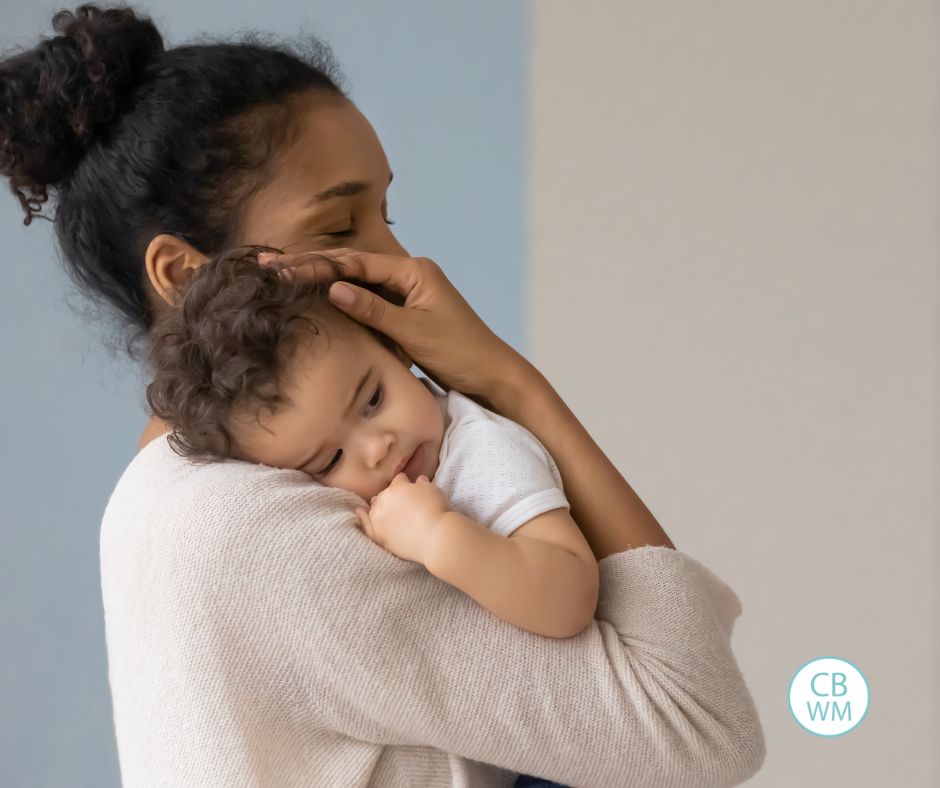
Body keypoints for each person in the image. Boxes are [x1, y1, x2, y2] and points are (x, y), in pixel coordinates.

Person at [0, 5, 766, 787]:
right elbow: (700, 727)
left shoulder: (182, 497)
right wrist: (511, 385)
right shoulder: (255, 533)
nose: (406, 262)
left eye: (386, 215)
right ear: (186, 276)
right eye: (340, 226)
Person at [145, 250, 600, 640]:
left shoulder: (481, 452)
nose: (377, 448)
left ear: (395, 349)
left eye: (373, 400)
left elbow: (571, 597)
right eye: (331, 460)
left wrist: (438, 537)